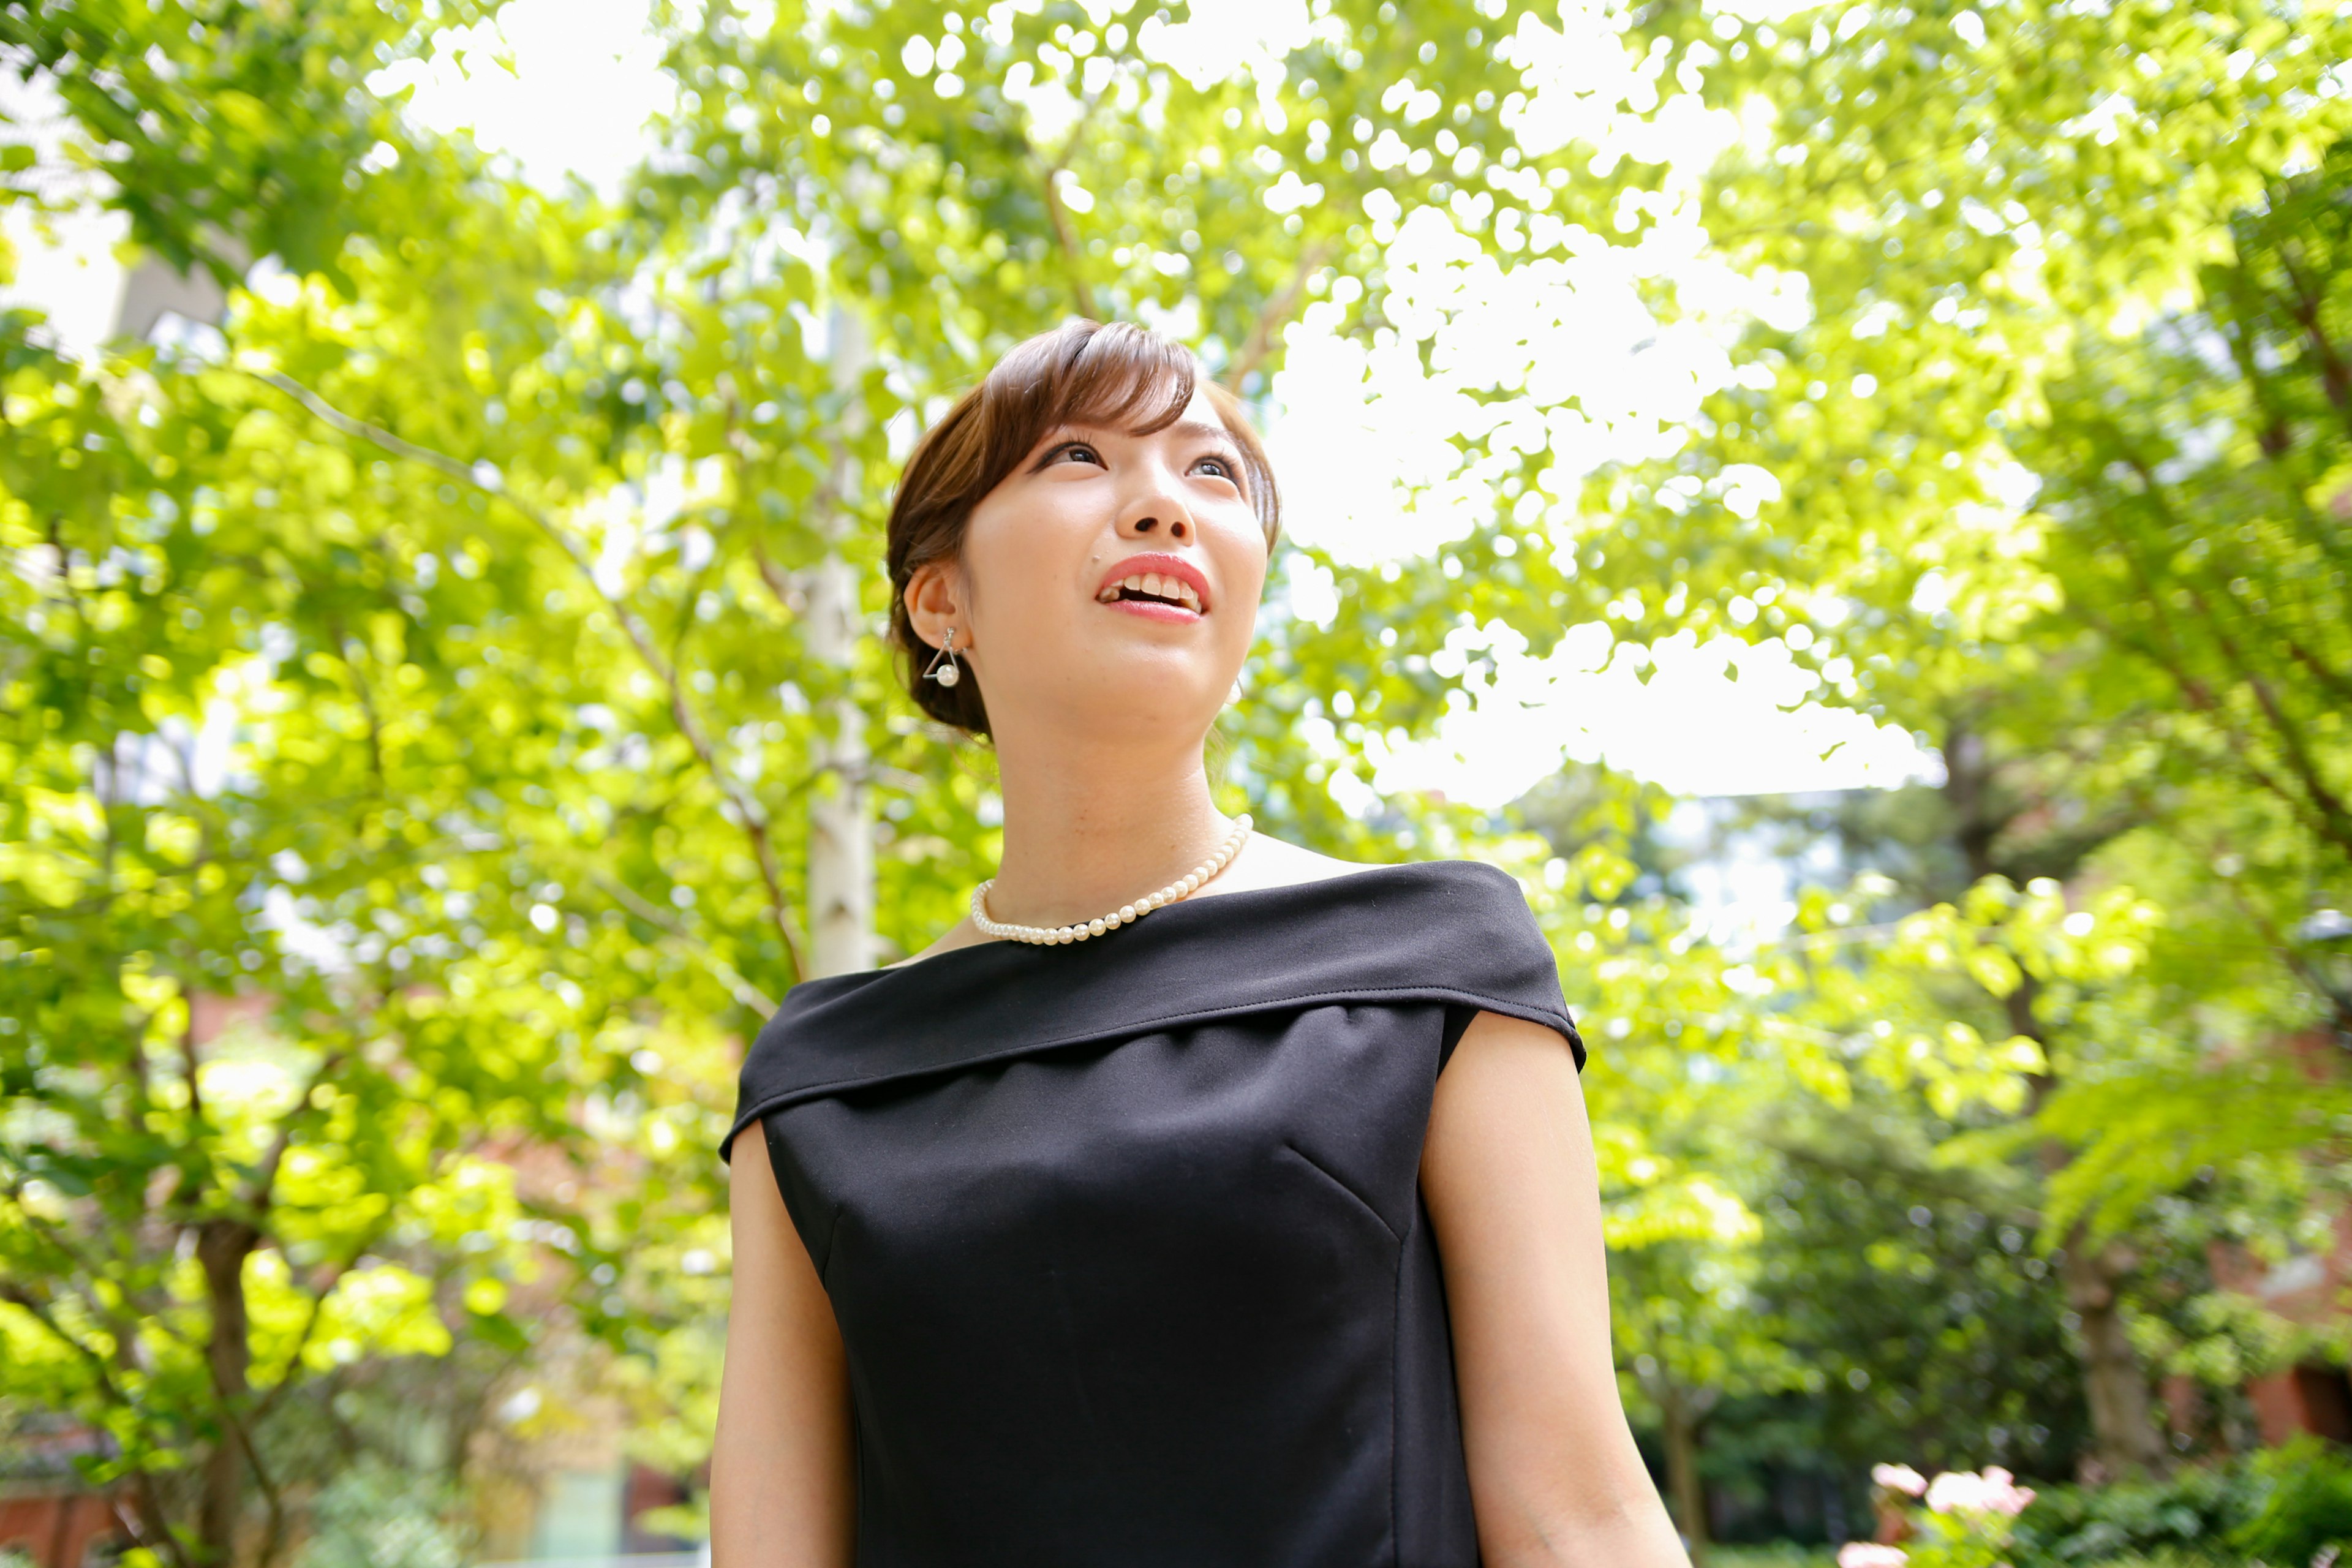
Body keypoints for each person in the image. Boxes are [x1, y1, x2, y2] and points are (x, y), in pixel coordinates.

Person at [708, 319, 1690, 1568]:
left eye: (1212, 472)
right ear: (942, 596)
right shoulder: (816, 1077)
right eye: (1078, 456)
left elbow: (1579, 1513)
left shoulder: (1439, 964)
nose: (1165, 505)